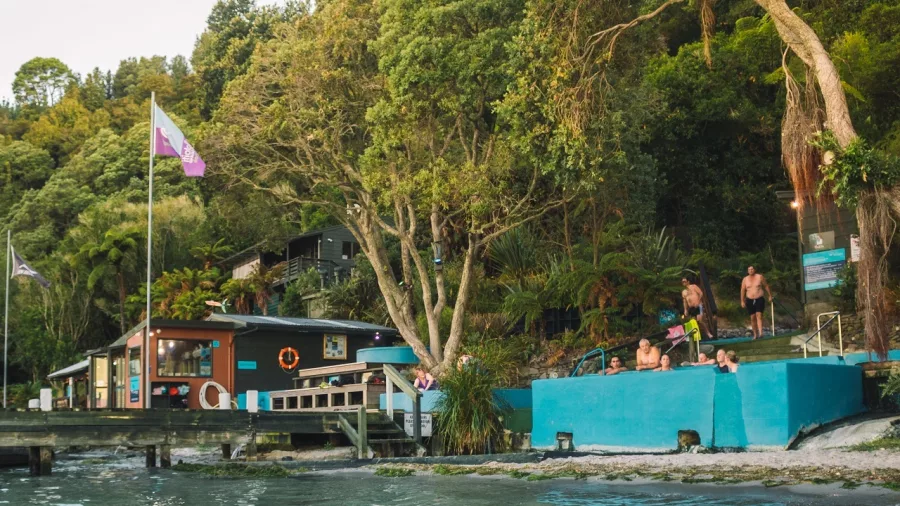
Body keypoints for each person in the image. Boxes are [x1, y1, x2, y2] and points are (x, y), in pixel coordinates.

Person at [740, 265, 773, 340]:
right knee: (752, 317)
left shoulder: (759, 277)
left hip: (759, 298)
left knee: (759, 314)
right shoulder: (745, 279)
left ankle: (761, 333)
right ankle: (755, 335)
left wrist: (770, 295)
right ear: (747, 271)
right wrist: (742, 301)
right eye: (749, 269)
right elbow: (742, 290)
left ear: (754, 270)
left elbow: (766, 286)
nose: (751, 270)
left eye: (752, 269)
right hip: (749, 299)